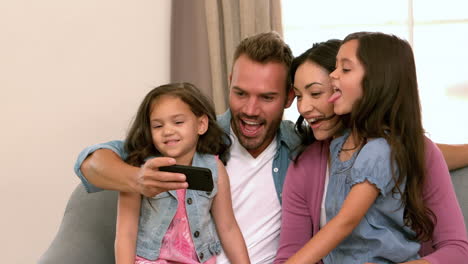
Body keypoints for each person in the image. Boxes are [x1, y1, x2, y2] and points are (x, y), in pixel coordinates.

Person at [74, 32, 468, 263]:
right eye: (240, 93)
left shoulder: (300, 146)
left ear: (286, 99)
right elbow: (93, 162)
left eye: (267, 97)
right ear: (227, 81)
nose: (249, 109)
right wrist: (138, 179)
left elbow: (411, 154)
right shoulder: (194, 137)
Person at [276, 34, 468, 264]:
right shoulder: (317, 160)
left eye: (316, 92)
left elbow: (457, 250)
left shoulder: (393, 150)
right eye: (298, 96)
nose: (304, 108)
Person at [114, 83, 250, 264]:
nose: (168, 131)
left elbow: (228, 228)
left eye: (178, 122)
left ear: (201, 125)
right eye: (157, 126)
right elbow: (125, 233)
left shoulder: (215, 169)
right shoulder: (139, 170)